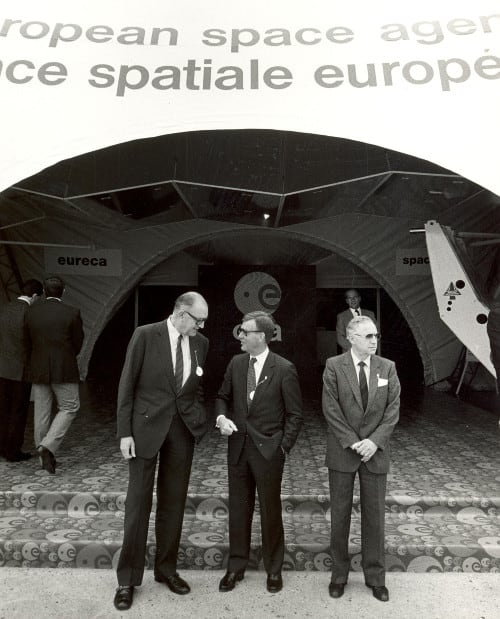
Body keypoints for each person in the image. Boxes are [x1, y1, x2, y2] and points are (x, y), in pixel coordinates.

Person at [114, 291, 209, 612]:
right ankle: (127, 579)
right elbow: (126, 385)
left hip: (181, 433)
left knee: (174, 502)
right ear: (181, 313)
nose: (202, 325)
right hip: (143, 432)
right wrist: (124, 432)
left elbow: (197, 387)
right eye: (199, 319)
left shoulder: (200, 343)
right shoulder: (145, 335)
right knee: (137, 503)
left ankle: (166, 569)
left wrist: (198, 417)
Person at [215, 310, 303, 594]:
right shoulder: (236, 363)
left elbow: (295, 415)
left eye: (245, 331)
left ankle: (273, 569)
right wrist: (220, 418)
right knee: (238, 510)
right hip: (238, 448)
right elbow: (222, 397)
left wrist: (283, 448)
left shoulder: (284, 368)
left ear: (262, 336)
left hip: (269, 451)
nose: (240, 335)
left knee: (270, 510)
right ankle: (235, 566)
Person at [322, 315, 400, 603]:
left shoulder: (387, 367)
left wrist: (374, 442)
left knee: (375, 517)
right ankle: (339, 576)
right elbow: (330, 409)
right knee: (340, 516)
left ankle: (375, 577)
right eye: (368, 336)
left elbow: (393, 410)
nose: (374, 341)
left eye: (376, 336)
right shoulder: (333, 366)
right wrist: (355, 442)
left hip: (375, 453)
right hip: (344, 451)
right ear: (350, 338)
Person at [26, 276, 84, 474]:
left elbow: (26, 341)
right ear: (64, 291)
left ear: (44, 290)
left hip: (38, 367)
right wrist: (66, 356)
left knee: (41, 412)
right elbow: (78, 342)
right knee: (70, 406)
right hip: (64, 367)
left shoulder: (32, 312)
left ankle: (43, 460)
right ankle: (47, 446)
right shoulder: (72, 312)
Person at [0, 279, 43, 462]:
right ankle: (13, 450)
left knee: (3, 409)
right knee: (18, 411)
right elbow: (33, 343)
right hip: (21, 371)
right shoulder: (30, 313)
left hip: (2, 368)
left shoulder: (5, 308)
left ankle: (1, 446)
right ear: (34, 296)